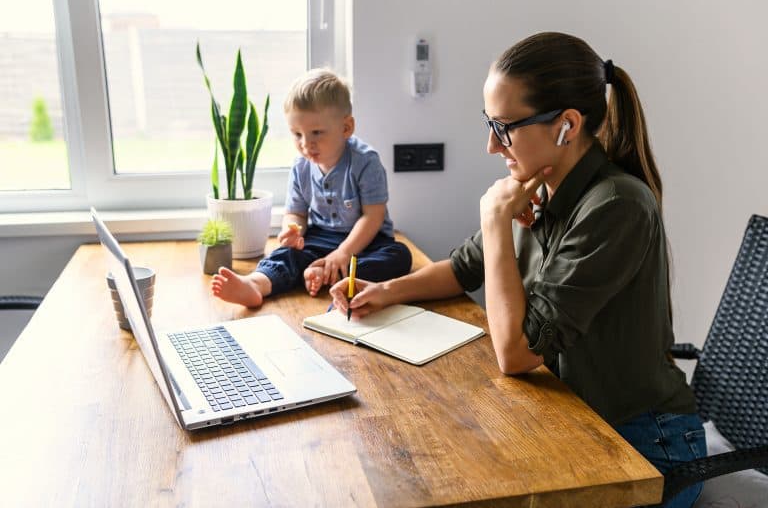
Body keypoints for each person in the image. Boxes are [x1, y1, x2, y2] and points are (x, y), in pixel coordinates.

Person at [330, 32, 704, 508]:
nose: (491, 145)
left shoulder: (617, 207)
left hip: (645, 444)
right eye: (490, 123)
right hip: (568, 414)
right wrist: (384, 289)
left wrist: (494, 218)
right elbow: (465, 269)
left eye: (505, 126)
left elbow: (517, 352)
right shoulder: (539, 185)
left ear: (566, 125)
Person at [212, 69, 412, 308]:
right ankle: (257, 284)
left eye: (316, 133)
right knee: (284, 256)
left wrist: (344, 252)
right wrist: (293, 229)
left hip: (366, 241)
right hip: (320, 238)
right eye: (297, 134)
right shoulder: (301, 167)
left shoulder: (365, 161)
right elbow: (296, 213)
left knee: (398, 256)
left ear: (346, 128)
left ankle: (333, 274)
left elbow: (373, 216)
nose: (306, 144)